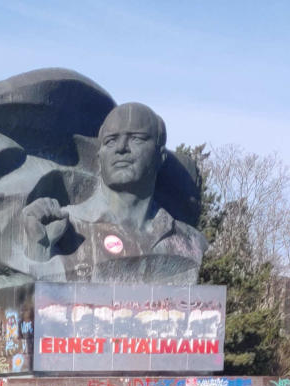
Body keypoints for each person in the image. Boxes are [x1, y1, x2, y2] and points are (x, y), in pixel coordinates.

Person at [19, 103, 205, 282]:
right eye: (110, 141)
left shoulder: (191, 242)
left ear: (161, 156)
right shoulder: (64, 227)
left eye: (136, 138)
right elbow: (33, 298)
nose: (121, 148)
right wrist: (40, 249)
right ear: (99, 157)